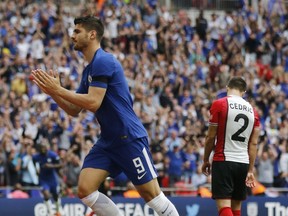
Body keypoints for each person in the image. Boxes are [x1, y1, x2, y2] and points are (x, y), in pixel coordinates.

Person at [32, 15, 179, 216]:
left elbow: (93, 102)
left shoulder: (104, 60)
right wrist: (53, 93)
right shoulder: (89, 69)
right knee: (85, 189)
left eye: (77, 31)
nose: (72, 35)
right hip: (109, 141)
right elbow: (74, 110)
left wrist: (58, 90)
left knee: (152, 196)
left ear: (92, 34)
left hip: (129, 137)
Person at [201, 77, 261, 216]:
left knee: (223, 207)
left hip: (224, 160)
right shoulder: (253, 111)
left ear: (227, 87)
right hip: (243, 163)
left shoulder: (220, 104)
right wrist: (250, 170)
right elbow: (253, 143)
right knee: (236, 208)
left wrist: (205, 159)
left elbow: (210, 137)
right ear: (244, 91)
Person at [33, 140, 62, 216]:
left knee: (55, 195)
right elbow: (34, 163)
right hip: (43, 179)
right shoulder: (36, 157)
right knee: (46, 194)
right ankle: (51, 213)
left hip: (52, 179)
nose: (43, 148)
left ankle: (58, 211)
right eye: (42, 147)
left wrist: (51, 166)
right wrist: (36, 170)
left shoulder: (52, 155)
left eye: (44, 146)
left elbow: (61, 165)